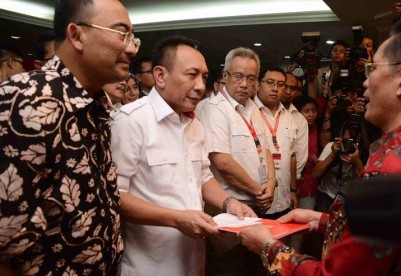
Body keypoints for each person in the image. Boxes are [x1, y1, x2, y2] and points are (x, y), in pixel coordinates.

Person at [239, 18, 401, 275]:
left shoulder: (393, 171)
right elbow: (394, 235)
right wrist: (325, 221)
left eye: (373, 69)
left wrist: (267, 247)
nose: (365, 82)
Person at [0, 0, 140, 275]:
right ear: (77, 35)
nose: (132, 48)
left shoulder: (94, 105)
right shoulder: (27, 99)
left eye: (133, 37)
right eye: (121, 33)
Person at [110, 35, 255, 276]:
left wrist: (230, 203)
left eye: (205, 77)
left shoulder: (194, 123)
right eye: (191, 74)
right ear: (160, 75)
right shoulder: (131, 121)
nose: (200, 85)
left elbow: (203, 176)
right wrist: (176, 219)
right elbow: (115, 196)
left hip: (193, 260)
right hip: (149, 265)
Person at [197, 47, 275, 275]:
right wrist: (260, 191)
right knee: (229, 267)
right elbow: (222, 162)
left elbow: (267, 150)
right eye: (238, 76)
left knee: (252, 267)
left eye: (251, 78)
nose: (244, 84)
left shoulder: (254, 108)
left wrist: (271, 183)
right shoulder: (214, 109)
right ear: (224, 76)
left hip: (255, 205)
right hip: (229, 209)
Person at [255, 67, 298, 219]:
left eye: (281, 84)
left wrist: (293, 190)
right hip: (258, 199)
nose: (275, 89)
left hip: (284, 198)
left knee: (281, 240)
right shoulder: (249, 113)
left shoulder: (290, 117)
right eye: (270, 83)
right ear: (258, 84)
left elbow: (292, 156)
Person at [281, 72, 309, 195]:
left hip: (286, 185)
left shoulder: (300, 119)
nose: (287, 91)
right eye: (284, 86)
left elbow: (300, 156)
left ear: (297, 91)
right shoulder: (260, 112)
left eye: (292, 88)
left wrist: (290, 184)